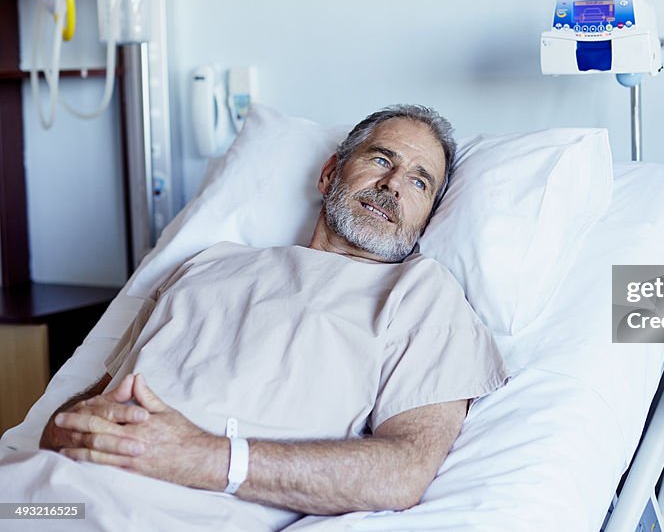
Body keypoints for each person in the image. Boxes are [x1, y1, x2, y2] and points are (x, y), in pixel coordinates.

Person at [0, 105, 507, 530]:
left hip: (164, 514)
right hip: (42, 498)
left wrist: (202, 456)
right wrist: (65, 428)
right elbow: (92, 402)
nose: (394, 184)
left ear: (427, 217)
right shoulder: (208, 263)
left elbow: (405, 469)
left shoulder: (421, 295)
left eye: (420, 182)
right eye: (381, 159)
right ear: (330, 173)